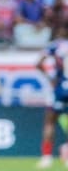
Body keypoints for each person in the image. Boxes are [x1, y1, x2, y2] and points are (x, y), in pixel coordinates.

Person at [36, 27, 68, 168]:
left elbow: (38, 63)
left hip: (59, 89)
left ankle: (46, 157)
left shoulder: (56, 45)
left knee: (50, 122)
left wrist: (50, 78)